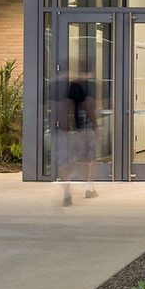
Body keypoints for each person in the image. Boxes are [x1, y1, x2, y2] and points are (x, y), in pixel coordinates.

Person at [57, 74, 99, 204]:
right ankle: (89, 188)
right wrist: (96, 128)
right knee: (91, 160)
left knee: (66, 164)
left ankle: (66, 193)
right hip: (83, 134)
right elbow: (92, 115)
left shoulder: (65, 103)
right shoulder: (87, 101)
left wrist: (65, 131)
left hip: (69, 135)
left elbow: (62, 121)